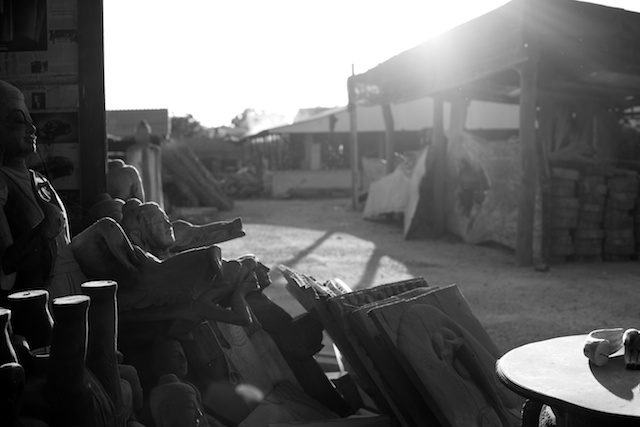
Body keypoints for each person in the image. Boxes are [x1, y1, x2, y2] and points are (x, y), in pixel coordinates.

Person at [126, 120, 163, 209]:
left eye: (144, 133)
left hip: (153, 189)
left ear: (148, 134)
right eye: (139, 133)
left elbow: (156, 173)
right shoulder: (131, 151)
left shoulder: (155, 151)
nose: (142, 136)